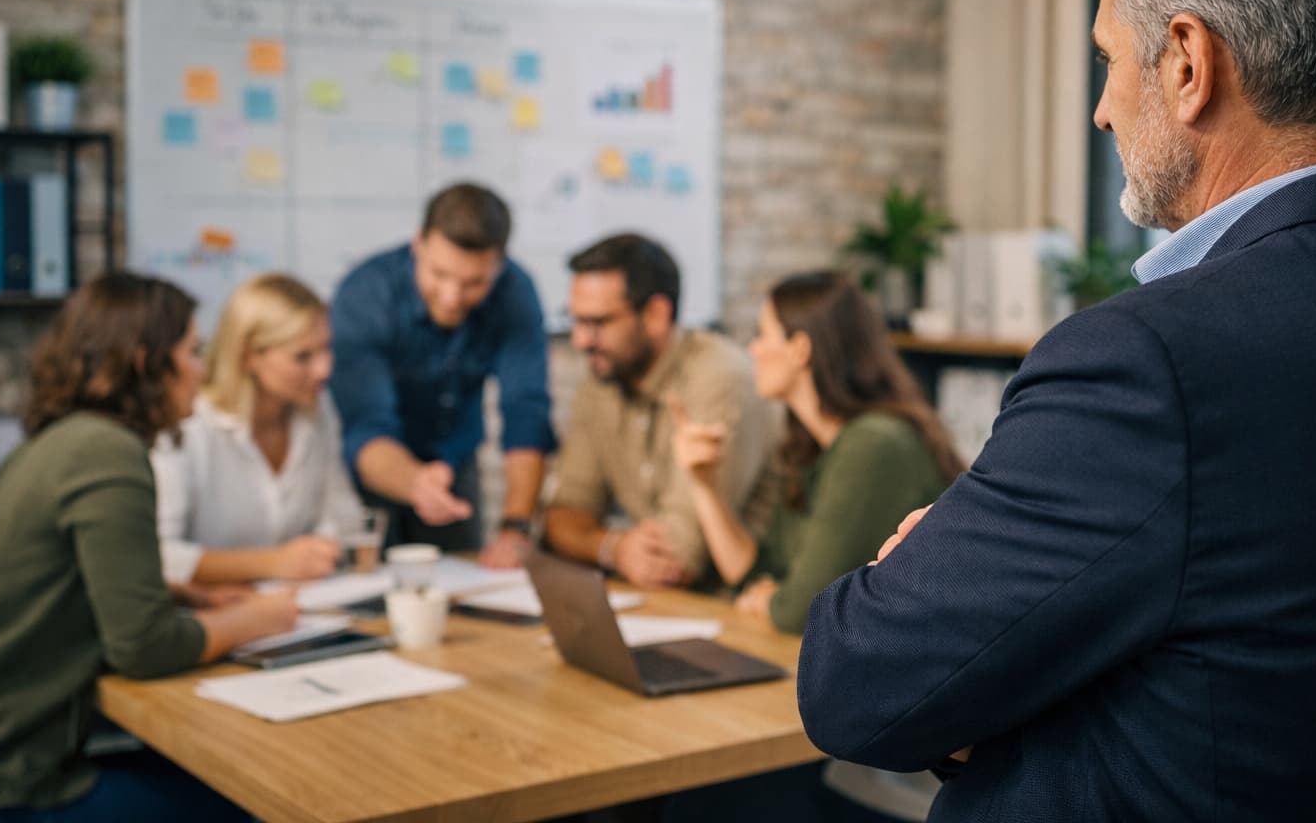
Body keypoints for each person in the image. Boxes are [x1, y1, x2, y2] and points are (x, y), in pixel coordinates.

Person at [797, 0, 1316, 822]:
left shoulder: (1147, 363)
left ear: (1187, 61)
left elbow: (854, 686)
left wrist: (914, 584)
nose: (1100, 109)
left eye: (1107, 59)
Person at [0, 272, 298, 821]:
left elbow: (68, 585)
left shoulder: (58, 442)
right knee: (261, 801)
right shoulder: (107, 453)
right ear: (143, 362)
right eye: (192, 353)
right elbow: (144, 647)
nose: (202, 372)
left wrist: (178, 595)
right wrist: (261, 618)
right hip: (16, 784)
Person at [671, 270, 958, 633]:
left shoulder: (874, 444)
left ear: (800, 348)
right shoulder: (811, 447)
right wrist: (703, 485)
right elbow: (752, 573)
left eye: (762, 334)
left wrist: (775, 601)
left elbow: (800, 610)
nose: (752, 350)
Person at [330, 182, 556, 563]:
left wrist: (516, 527)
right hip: (373, 469)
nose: (452, 297)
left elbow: (525, 410)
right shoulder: (364, 294)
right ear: (418, 242)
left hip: (454, 468)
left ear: (499, 264)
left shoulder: (515, 291)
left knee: (461, 582)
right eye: (439, 274)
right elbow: (365, 423)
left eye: (473, 283)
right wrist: (416, 483)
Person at [541, 233, 781, 588]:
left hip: (742, 602)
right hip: (667, 604)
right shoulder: (603, 377)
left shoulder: (718, 376)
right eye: (574, 320)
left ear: (656, 314)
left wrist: (600, 544)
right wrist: (613, 547)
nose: (580, 340)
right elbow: (563, 516)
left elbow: (680, 559)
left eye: (598, 323)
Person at [151, 273, 365, 585]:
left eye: (326, 349)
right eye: (302, 357)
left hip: (299, 610)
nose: (324, 369)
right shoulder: (188, 423)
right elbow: (156, 555)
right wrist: (272, 563)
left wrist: (323, 550)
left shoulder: (318, 408)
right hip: (210, 618)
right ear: (250, 355)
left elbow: (344, 518)